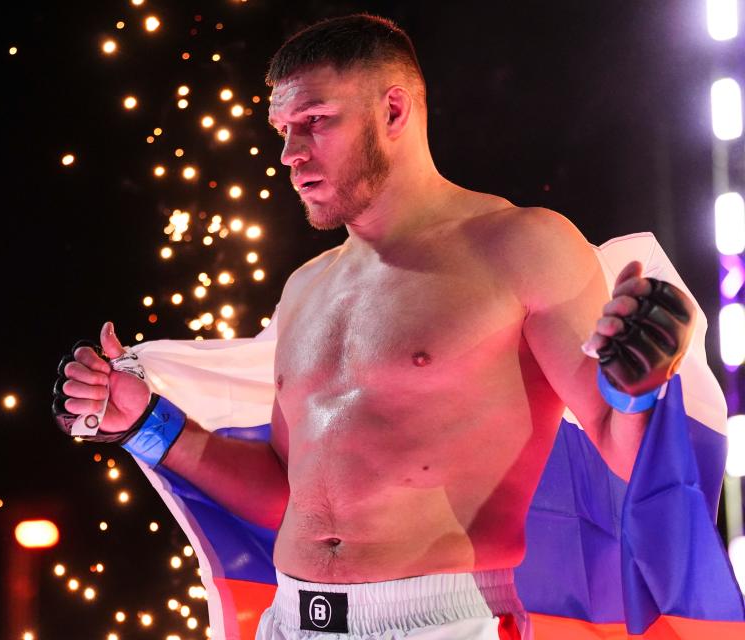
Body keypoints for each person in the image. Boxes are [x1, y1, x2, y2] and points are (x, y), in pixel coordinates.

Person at [52, 14, 701, 640]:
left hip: (447, 621)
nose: (288, 153)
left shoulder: (520, 247)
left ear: (393, 111)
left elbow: (623, 450)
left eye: (313, 122)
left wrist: (637, 387)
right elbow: (286, 496)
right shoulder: (306, 289)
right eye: (281, 128)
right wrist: (147, 423)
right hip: (292, 617)